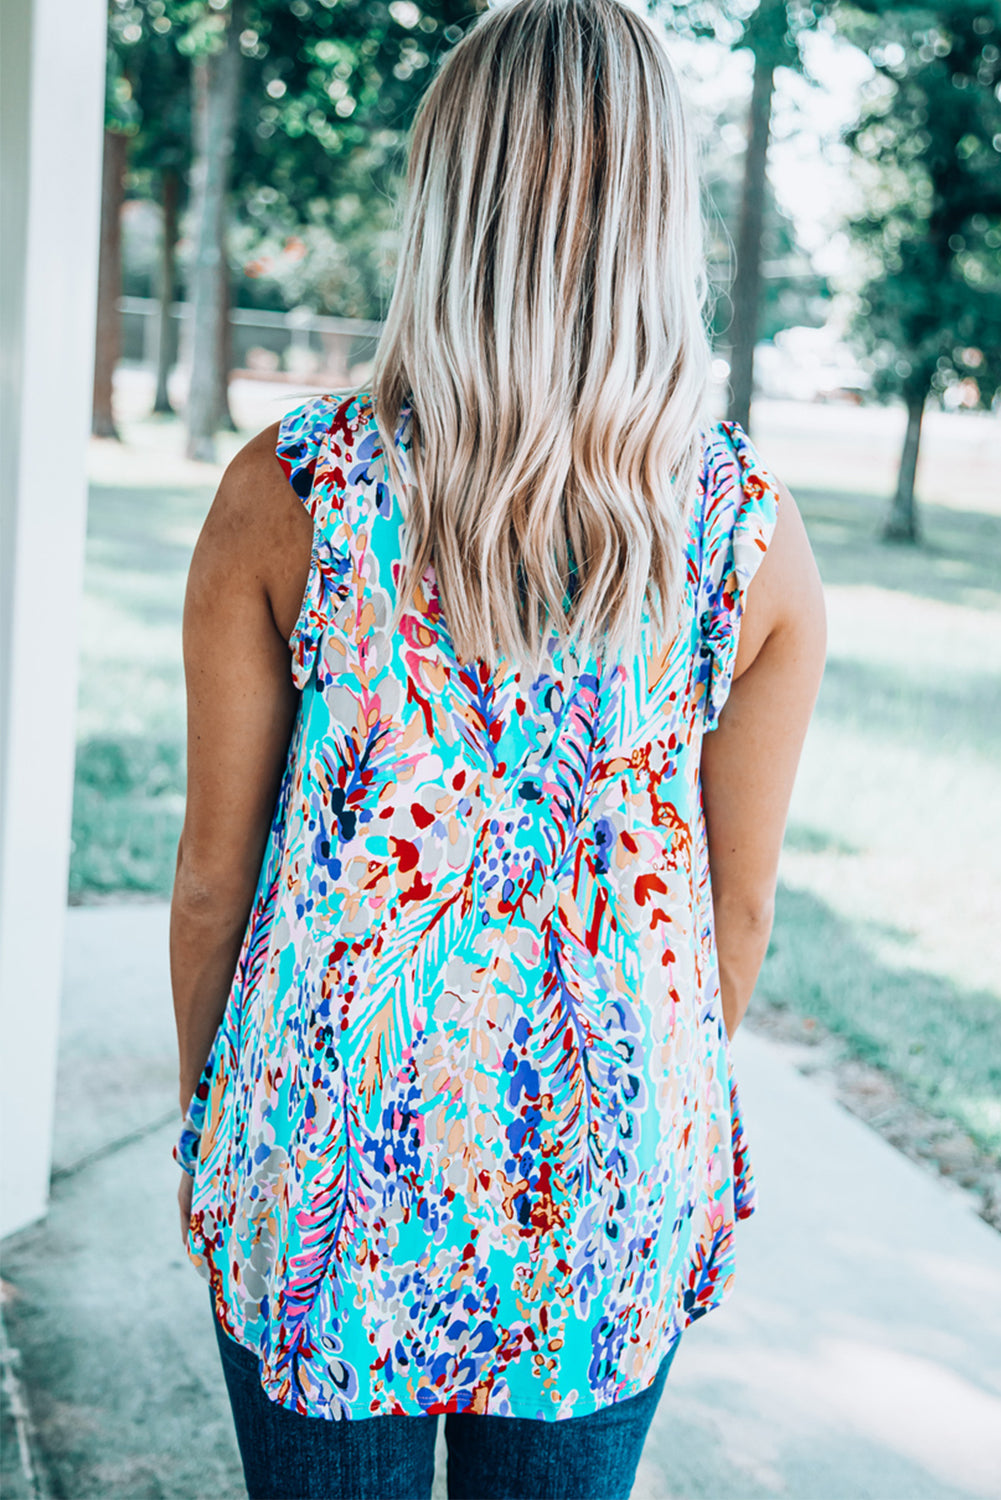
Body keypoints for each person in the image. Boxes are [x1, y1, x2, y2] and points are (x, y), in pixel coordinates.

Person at [170, 1, 827, 1496]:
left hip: (323, 1144)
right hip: (610, 1161)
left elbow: (216, 880)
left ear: (448, 202)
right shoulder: (749, 535)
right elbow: (736, 910)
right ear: (656, 215)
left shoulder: (292, 490)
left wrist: (218, 1123)